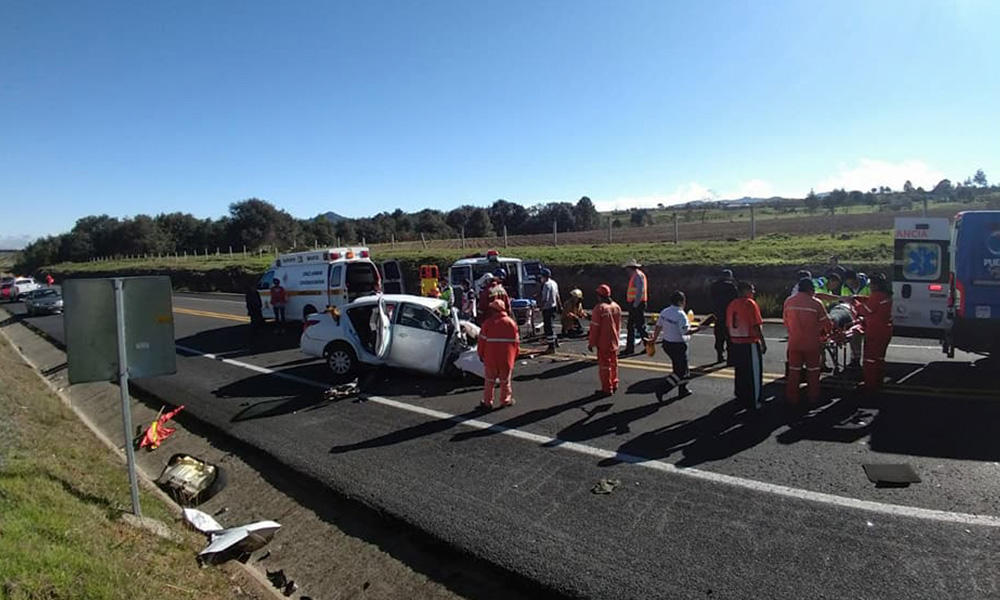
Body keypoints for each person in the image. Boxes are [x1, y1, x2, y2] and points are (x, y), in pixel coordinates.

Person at [783, 278, 831, 404]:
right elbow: (827, 323)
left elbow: (786, 322)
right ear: (810, 289)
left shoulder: (789, 301)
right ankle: (813, 397)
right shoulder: (816, 303)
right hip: (812, 344)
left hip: (794, 343)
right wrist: (827, 333)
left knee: (794, 372)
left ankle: (792, 397)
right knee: (813, 372)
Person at [651, 291, 705, 402]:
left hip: (667, 344)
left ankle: (683, 389)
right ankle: (662, 389)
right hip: (678, 345)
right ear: (681, 301)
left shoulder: (665, 311)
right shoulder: (681, 315)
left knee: (682, 368)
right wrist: (700, 328)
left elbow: (658, 326)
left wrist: (654, 339)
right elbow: (685, 332)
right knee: (680, 371)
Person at [727, 281, 768, 410]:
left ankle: (740, 397)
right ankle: (754, 401)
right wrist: (762, 342)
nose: (753, 292)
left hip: (735, 341)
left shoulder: (732, 304)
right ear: (745, 290)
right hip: (749, 342)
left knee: (740, 372)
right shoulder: (750, 304)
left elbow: (728, 325)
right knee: (753, 374)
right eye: (752, 290)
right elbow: (755, 325)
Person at [477, 298, 519, 409]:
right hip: (506, 358)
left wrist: (480, 354)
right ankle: (505, 400)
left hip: (491, 358)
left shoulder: (488, 323)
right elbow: (516, 343)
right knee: (505, 381)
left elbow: (481, 341)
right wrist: (515, 356)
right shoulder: (511, 323)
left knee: (489, 381)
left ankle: (487, 402)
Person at [855, 273, 892, 390]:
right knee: (880, 358)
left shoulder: (876, 296)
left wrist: (854, 304)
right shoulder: (886, 295)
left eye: (871, 284)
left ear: (875, 285)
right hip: (886, 330)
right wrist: (860, 298)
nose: (869, 287)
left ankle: (869, 384)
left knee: (869, 359)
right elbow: (872, 302)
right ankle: (878, 381)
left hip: (875, 331)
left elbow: (867, 310)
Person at [588, 284, 622, 396]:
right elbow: (618, 325)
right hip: (614, 341)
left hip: (603, 343)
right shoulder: (616, 306)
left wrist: (591, 343)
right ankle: (614, 383)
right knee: (614, 364)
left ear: (599, 296)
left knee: (604, 367)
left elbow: (594, 328)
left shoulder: (599, 308)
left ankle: (607, 389)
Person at [709, 269, 739, 363]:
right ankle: (731, 358)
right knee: (730, 337)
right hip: (729, 315)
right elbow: (736, 300)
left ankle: (719, 355)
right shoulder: (731, 286)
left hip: (718, 314)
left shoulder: (714, 286)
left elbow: (711, 299)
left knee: (719, 336)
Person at [622, 259, 649, 355]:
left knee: (638, 326)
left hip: (637, 304)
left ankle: (646, 346)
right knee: (633, 326)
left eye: (627, 268)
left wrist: (635, 305)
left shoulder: (637, 276)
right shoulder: (636, 275)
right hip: (636, 304)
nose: (626, 270)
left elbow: (639, 291)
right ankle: (631, 348)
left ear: (630, 268)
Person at [538, 268, 561, 352]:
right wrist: (560, 306)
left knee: (548, 328)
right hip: (554, 307)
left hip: (547, 308)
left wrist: (540, 307)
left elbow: (545, 298)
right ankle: (555, 342)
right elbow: (557, 295)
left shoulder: (546, 285)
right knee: (551, 325)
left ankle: (551, 347)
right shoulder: (554, 283)